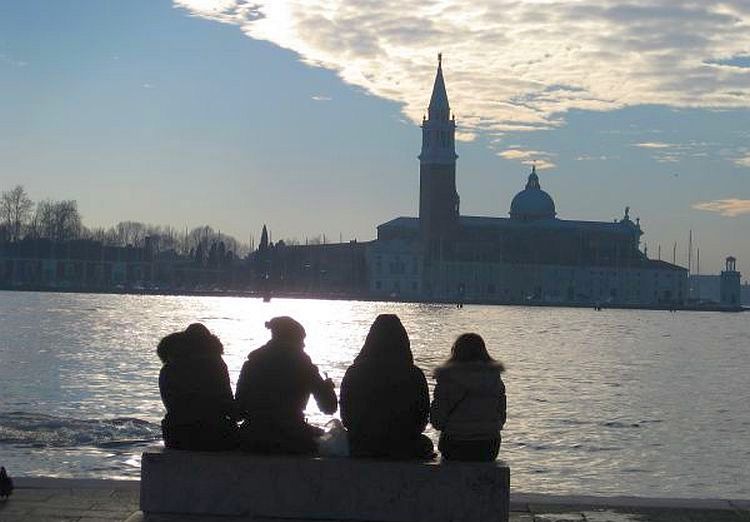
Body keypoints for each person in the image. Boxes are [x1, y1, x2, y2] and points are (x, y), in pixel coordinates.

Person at [235, 316, 337, 454]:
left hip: (253, 437)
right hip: (293, 437)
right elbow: (329, 407)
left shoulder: (251, 364)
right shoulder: (305, 367)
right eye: (302, 340)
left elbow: (239, 411)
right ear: (295, 339)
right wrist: (327, 387)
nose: (304, 345)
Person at [340, 314, 434, 459]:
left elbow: (346, 417)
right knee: (426, 444)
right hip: (403, 444)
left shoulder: (355, 372)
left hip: (362, 444)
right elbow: (422, 417)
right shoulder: (414, 374)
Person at [158, 323, 238, 450]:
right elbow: (227, 403)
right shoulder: (216, 364)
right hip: (215, 433)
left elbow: (171, 404)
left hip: (175, 434)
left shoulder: (169, 367)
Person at [430, 333, 506, 462]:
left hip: (455, 445)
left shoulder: (447, 379)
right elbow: (501, 417)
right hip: (488, 446)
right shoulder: (494, 379)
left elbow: (437, 420)